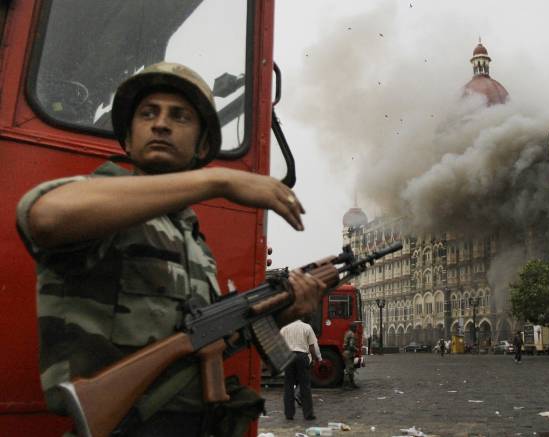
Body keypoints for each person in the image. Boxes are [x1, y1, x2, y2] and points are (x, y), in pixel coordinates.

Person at [16, 63, 326, 436]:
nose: (161, 124)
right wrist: (218, 179)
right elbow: (46, 216)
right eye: (148, 113)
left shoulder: (194, 243)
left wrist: (280, 313)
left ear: (203, 145)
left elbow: (206, 344)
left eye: (179, 116)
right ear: (128, 140)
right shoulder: (102, 204)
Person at [280, 318, 321, 421]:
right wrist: (315, 359)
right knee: (305, 386)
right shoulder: (307, 327)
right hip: (302, 357)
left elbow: (280, 345)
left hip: (288, 357)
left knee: (288, 386)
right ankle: (308, 414)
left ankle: (289, 414)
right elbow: (312, 347)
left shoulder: (285, 328)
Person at [342, 322, 360, 389]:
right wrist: (357, 349)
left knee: (350, 369)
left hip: (346, 353)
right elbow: (351, 346)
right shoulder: (352, 334)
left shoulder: (347, 333)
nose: (356, 329)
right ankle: (346, 385)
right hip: (349, 353)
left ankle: (352, 384)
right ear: (352, 327)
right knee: (349, 369)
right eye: (355, 327)